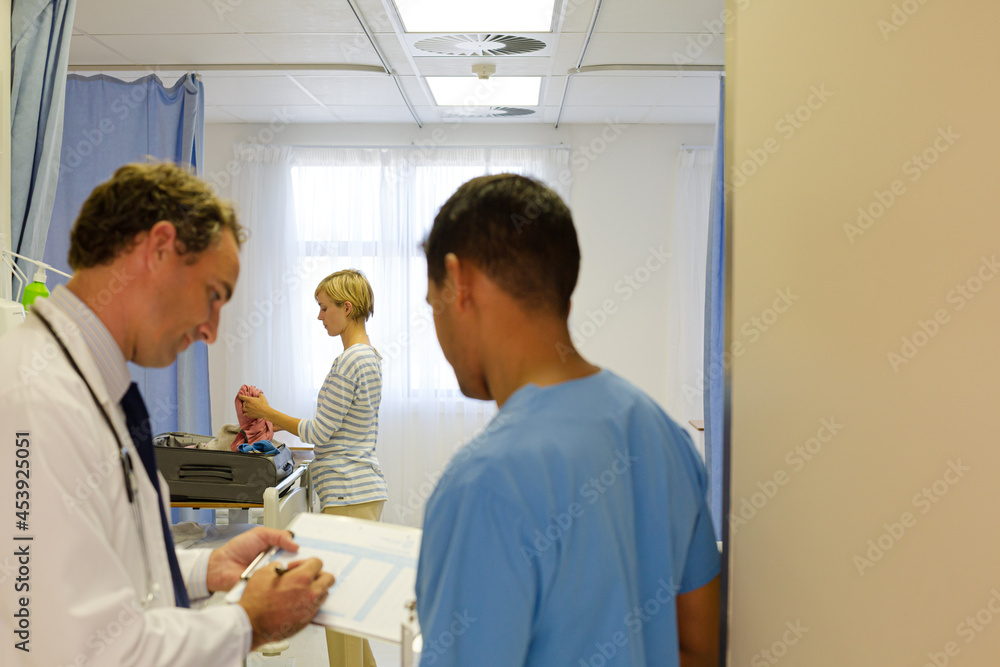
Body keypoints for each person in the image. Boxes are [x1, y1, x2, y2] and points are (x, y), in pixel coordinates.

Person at [0, 163, 336, 667]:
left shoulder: (90, 386)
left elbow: (107, 568)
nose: (211, 331)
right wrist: (248, 621)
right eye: (213, 296)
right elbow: (80, 651)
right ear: (158, 249)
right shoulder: (36, 401)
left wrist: (206, 569)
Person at [415, 174, 721, 666]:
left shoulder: (483, 484)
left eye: (434, 305)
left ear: (460, 282)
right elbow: (700, 650)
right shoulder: (664, 436)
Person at [238, 268, 387, 667]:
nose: (319, 316)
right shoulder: (369, 357)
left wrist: (268, 413)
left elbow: (320, 431)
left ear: (347, 307)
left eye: (324, 308)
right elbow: (342, 434)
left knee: (338, 609)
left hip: (347, 493)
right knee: (351, 607)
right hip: (361, 489)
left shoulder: (349, 363)